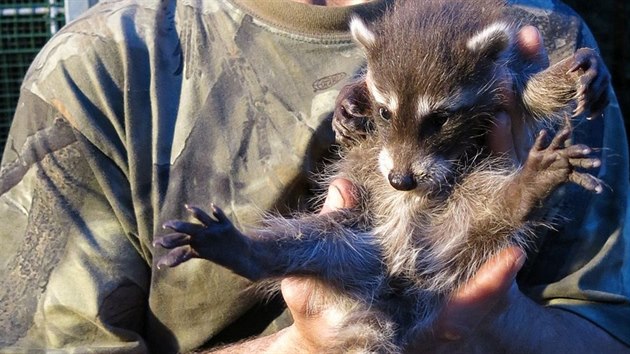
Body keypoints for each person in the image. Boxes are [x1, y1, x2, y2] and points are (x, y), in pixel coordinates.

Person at [0, 0, 627, 352]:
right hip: (363, 247)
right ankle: (248, 250)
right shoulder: (97, 71)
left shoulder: (531, 32)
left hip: (448, 239)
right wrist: (300, 349)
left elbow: (608, 329)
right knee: (323, 240)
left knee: (482, 203)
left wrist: (489, 319)